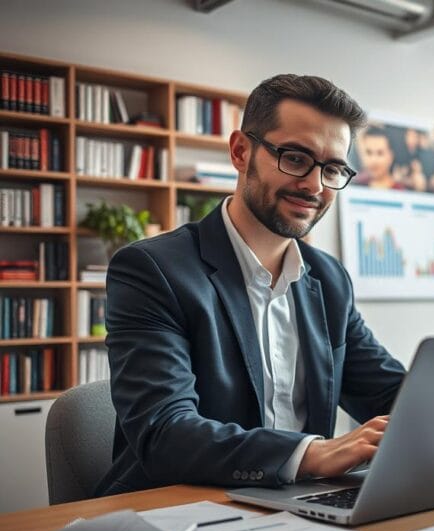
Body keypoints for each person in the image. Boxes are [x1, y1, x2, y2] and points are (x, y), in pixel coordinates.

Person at [95, 74, 406, 496]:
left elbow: (390, 392)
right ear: (241, 152)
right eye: (296, 158)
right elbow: (165, 433)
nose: (314, 185)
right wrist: (312, 454)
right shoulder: (153, 270)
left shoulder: (329, 280)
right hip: (176, 513)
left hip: (297, 511)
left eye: (332, 168)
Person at [352, 125, 405, 190]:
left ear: (391, 156)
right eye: (369, 153)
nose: (374, 160)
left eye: (380, 153)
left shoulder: (400, 189)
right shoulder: (356, 185)